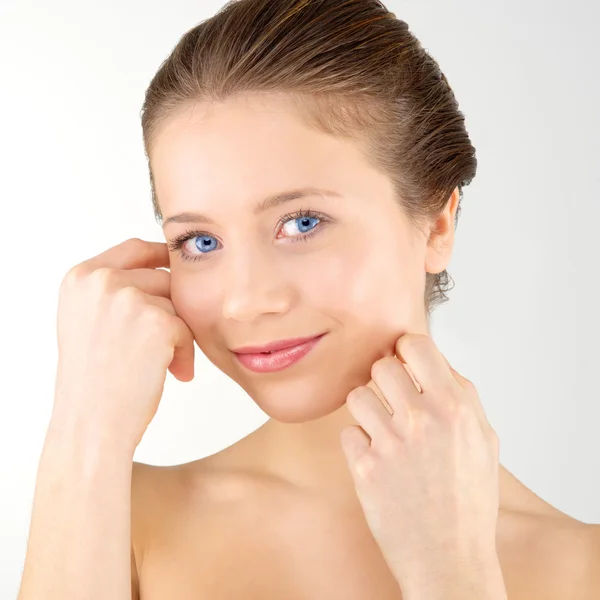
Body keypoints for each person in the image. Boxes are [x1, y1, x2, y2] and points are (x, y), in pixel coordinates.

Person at [17, 1, 600, 599]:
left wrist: (451, 573)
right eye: (201, 240)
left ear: (436, 223)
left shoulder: (585, 569)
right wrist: (83, 430)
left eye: (302, 223)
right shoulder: (117, 521)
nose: (245, 302)